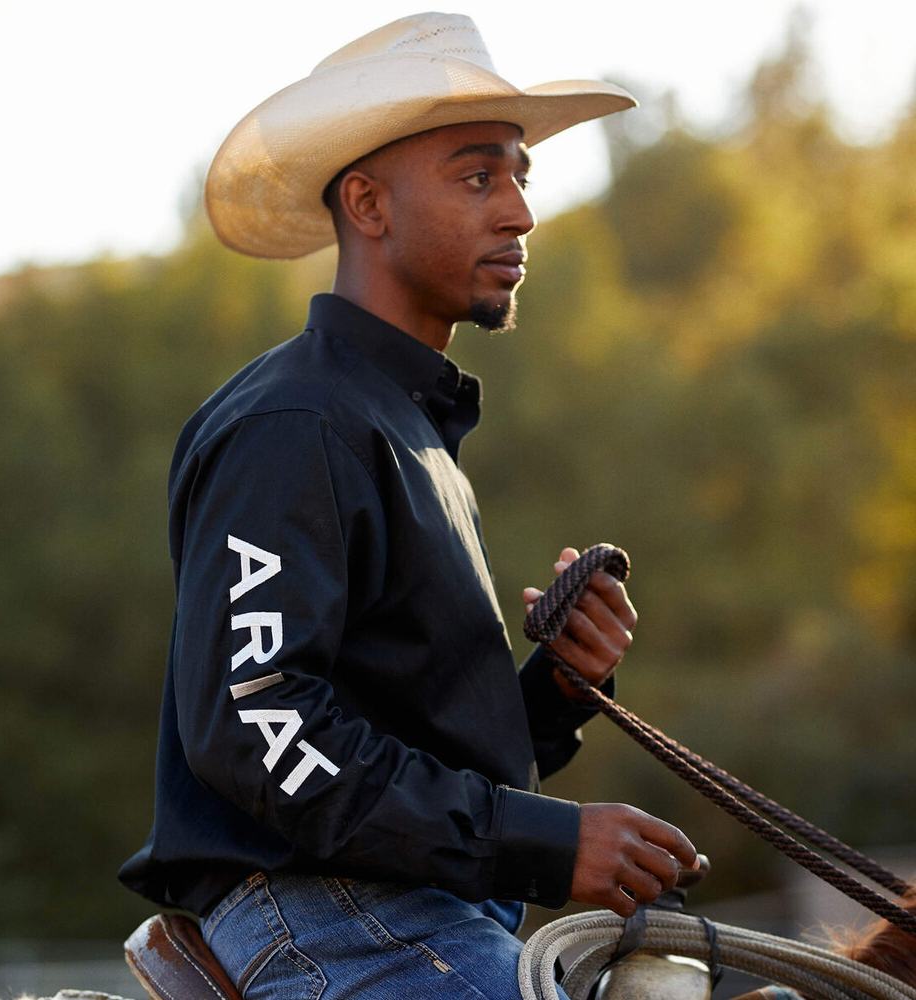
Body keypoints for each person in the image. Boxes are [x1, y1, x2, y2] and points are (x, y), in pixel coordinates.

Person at [119, 12, 698, 999]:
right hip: (329, 915)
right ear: (368, 204)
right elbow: (260, 722)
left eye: (521, 176)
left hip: (416, 909)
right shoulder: (297, 424)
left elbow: (409, 756)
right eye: (479, 177)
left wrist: (552, 691)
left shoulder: (401, 426)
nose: (518, 212)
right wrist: (544, 842)